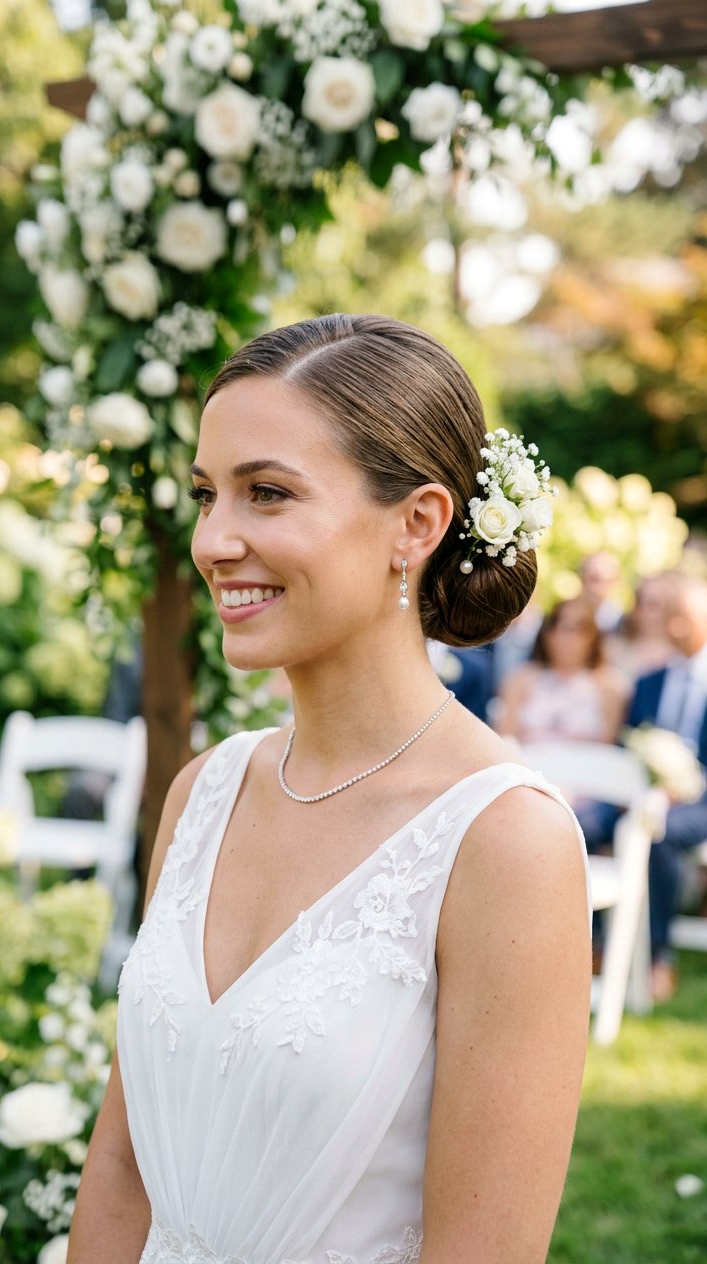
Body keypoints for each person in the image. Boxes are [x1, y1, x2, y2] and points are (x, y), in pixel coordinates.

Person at [68, 315, 591, 1264]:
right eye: (206, 494)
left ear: (418, 523)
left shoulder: (505, 842)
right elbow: (123, 1167)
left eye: (267, 493)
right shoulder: (202, 794)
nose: (215, 541)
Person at [628, 572, 707, 1002]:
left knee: (658, 833)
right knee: (588, 821)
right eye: (672, 617)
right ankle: (599, 942)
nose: (675, 627)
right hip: (647, 794)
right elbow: (630, 737)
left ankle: (659, 956)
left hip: (701, 803)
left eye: (685, 617)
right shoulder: (648, 681)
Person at [496, 597, 630, 849]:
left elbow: (607, 751)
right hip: (530, 782)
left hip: (587, 792)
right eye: (558, 626)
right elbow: (506, 740)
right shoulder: (521, 680)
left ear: (593, 636)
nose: (566, 637)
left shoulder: (611, 687)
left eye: (578, 628)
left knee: (574, 823)